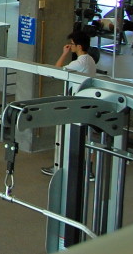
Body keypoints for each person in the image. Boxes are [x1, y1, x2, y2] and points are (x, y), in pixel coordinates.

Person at [42, 30, 98, 176]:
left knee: (69, 136)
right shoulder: (90, 60)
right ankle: (86, 169)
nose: (70, 46)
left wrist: (64, 54)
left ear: (79, 46)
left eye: (72, 44)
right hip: (85, 101)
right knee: (85, 137)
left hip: (77, 102)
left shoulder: (79, 62)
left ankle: (63, 167)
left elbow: (56, 70)